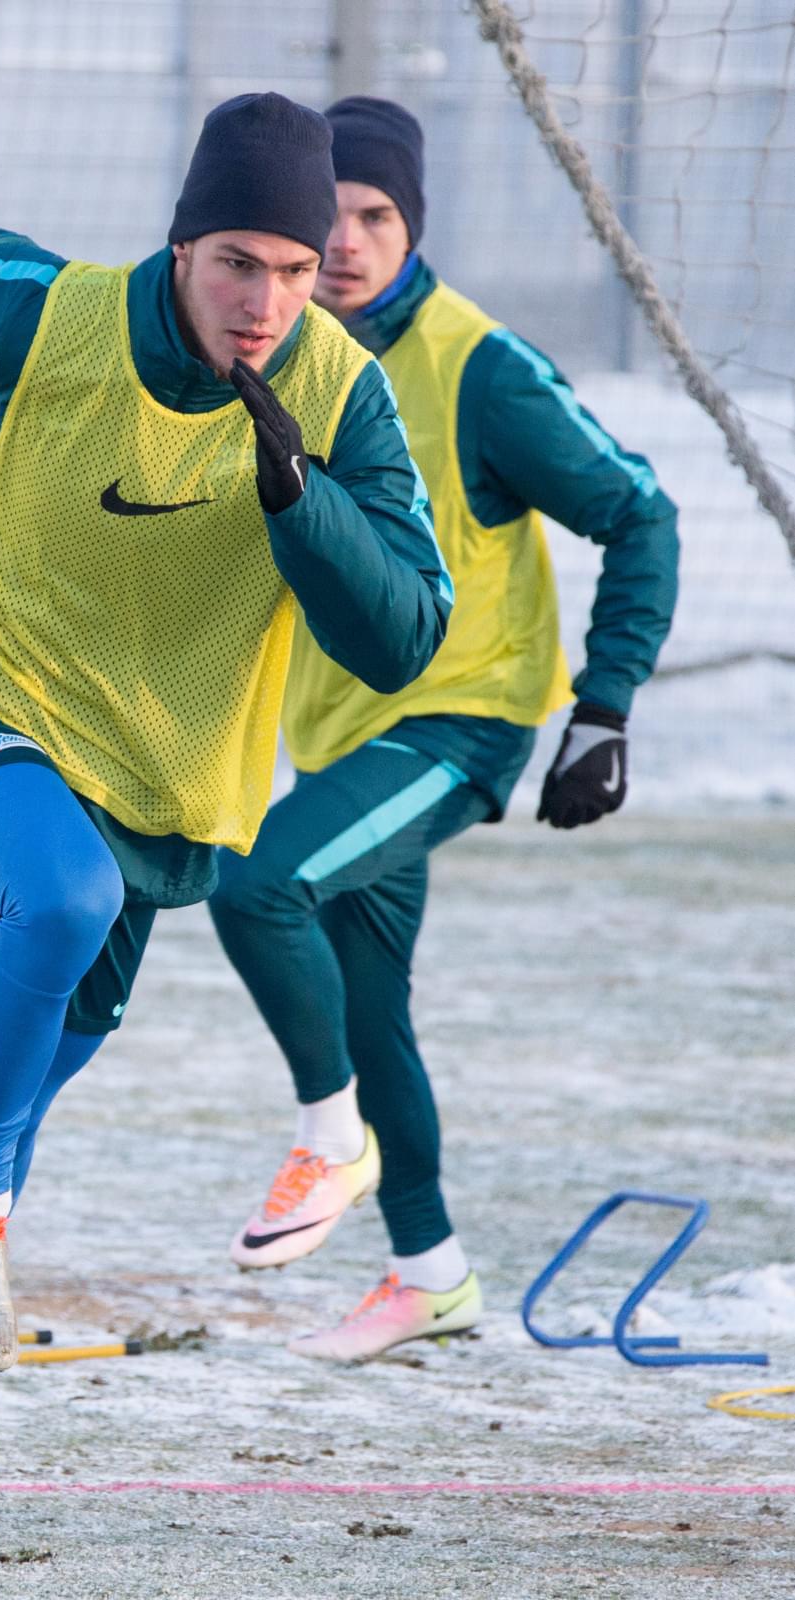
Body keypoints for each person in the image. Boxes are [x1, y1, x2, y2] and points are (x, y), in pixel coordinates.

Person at [0, 91, 453, 1539]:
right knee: (59, 909)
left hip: (158, 797)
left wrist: (304, 504)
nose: (270, 297)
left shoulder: (343, 394)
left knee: (12, 1102)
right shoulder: (65, 314)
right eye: (239, 260)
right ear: (179, 247)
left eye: (296, 269)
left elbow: (407, 635)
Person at [209, 96, 680, 1363]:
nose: (351, 241)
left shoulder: (479, 363)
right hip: (341, 738)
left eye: (380, 215)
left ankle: (332, 1141)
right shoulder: (278, 345)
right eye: (332, 217)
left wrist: (604, 704)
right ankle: (432, 1274)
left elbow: (641, 512)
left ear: (414, 224)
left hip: (459, 725)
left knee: (258, 886)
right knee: (370, 1009)